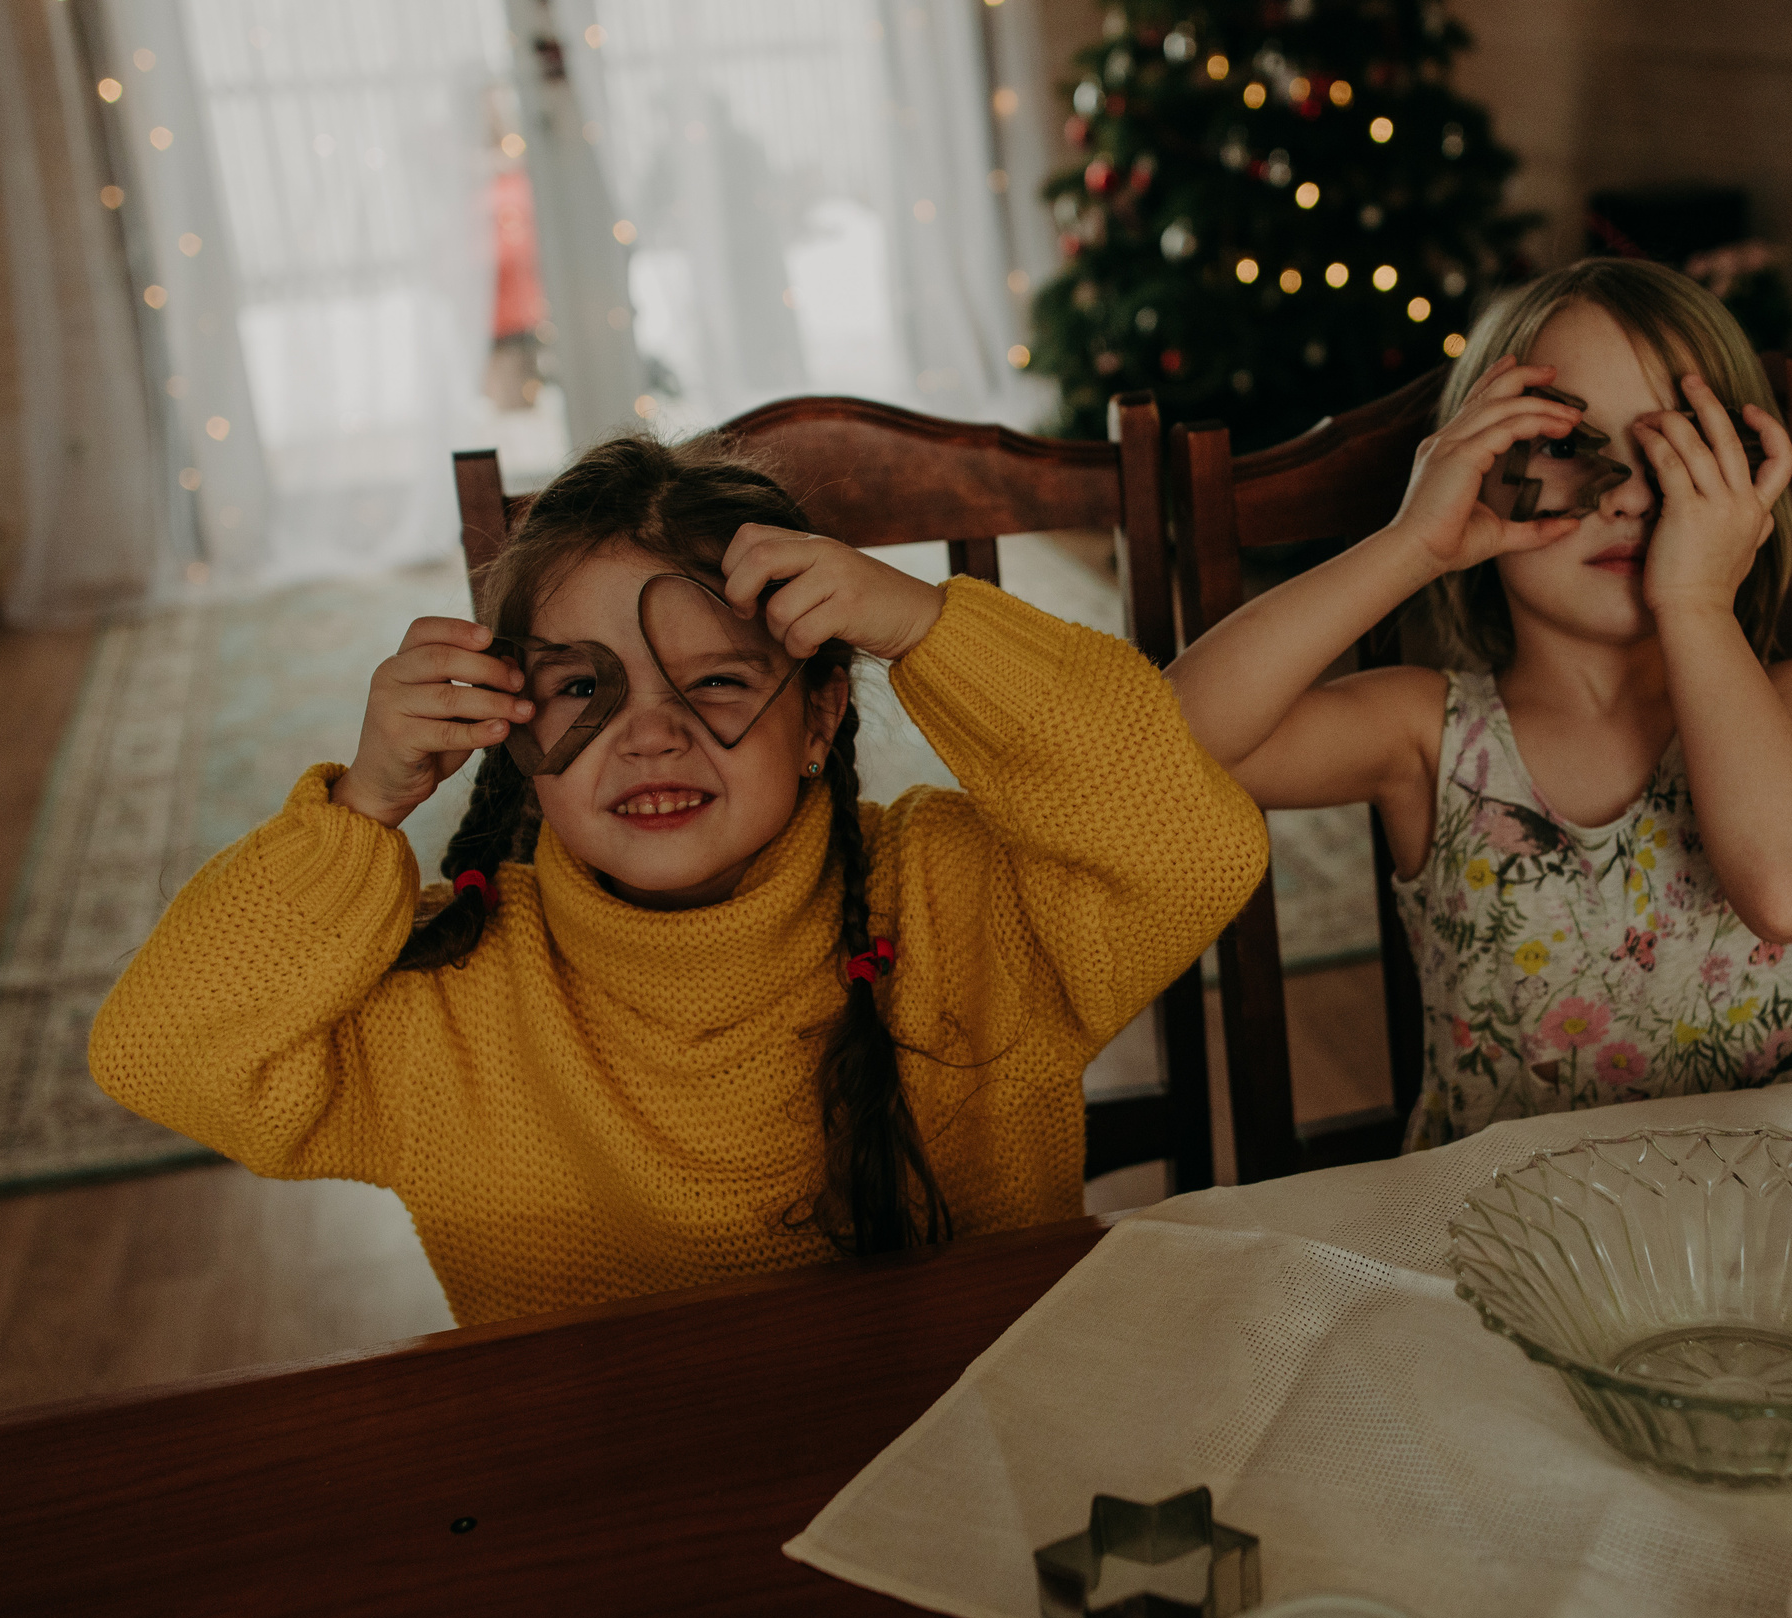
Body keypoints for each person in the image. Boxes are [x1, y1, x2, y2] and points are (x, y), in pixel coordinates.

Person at [90, 435, 1268, 1325]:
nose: (650, 736)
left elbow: (1186, 845)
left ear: (816, 718)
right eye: (584, 691)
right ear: (508, 730)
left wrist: (927, 627)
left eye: (713, 685)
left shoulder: (964, 901)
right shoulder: (449, 1004)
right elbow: (160, 1050)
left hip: (975, 1468)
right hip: (616, 1528)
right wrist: (362, 812)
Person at [1165, 259, 1792, 1149]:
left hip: (1764, 1224)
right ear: (1482, 470)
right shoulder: (1426, 734)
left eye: (1677, 451)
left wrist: (1695, 604)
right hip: (1498, 1244)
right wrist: (1411, 545)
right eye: (1566, 445)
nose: (1627, 495)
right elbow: (1167, 744)